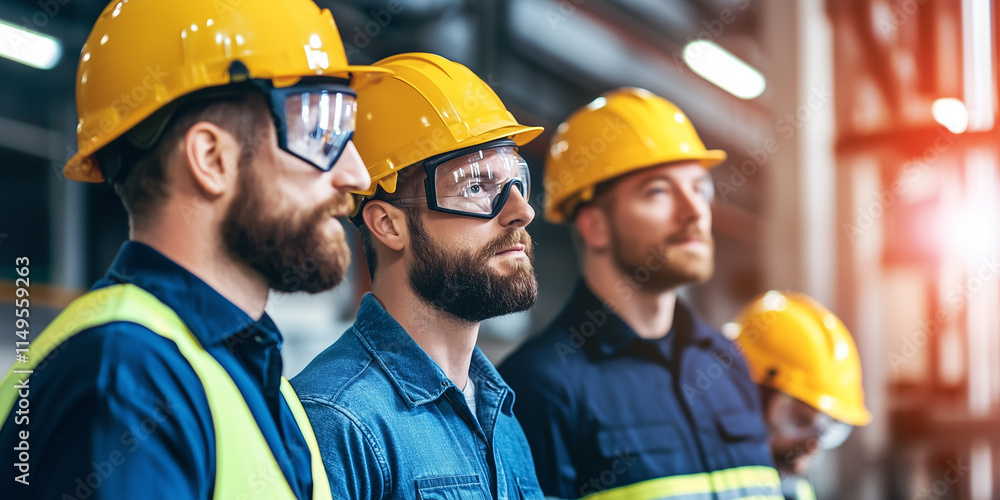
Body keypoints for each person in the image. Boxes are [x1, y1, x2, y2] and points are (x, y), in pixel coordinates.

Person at [0, 0, 384, 498]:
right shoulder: (126, 379)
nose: (357, 175)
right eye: (319, 130)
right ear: (211, 158)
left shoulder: (257, 377)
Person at [499, 87, 783, 499]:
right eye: (659, 192)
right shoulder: (542, 387)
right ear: (594, 225)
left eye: (699, 188)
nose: (694, 211)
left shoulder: (728, 360)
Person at [291, 52, 545, 499]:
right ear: (388, 225)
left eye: (516, 182)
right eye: (474, 186)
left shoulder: (499, 413)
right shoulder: (334, 420)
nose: (521, 211)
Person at [729, 291, 871, 500]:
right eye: (800, 419)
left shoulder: (795, 492)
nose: (813, 445)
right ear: (747, 396)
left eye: (831, 428)